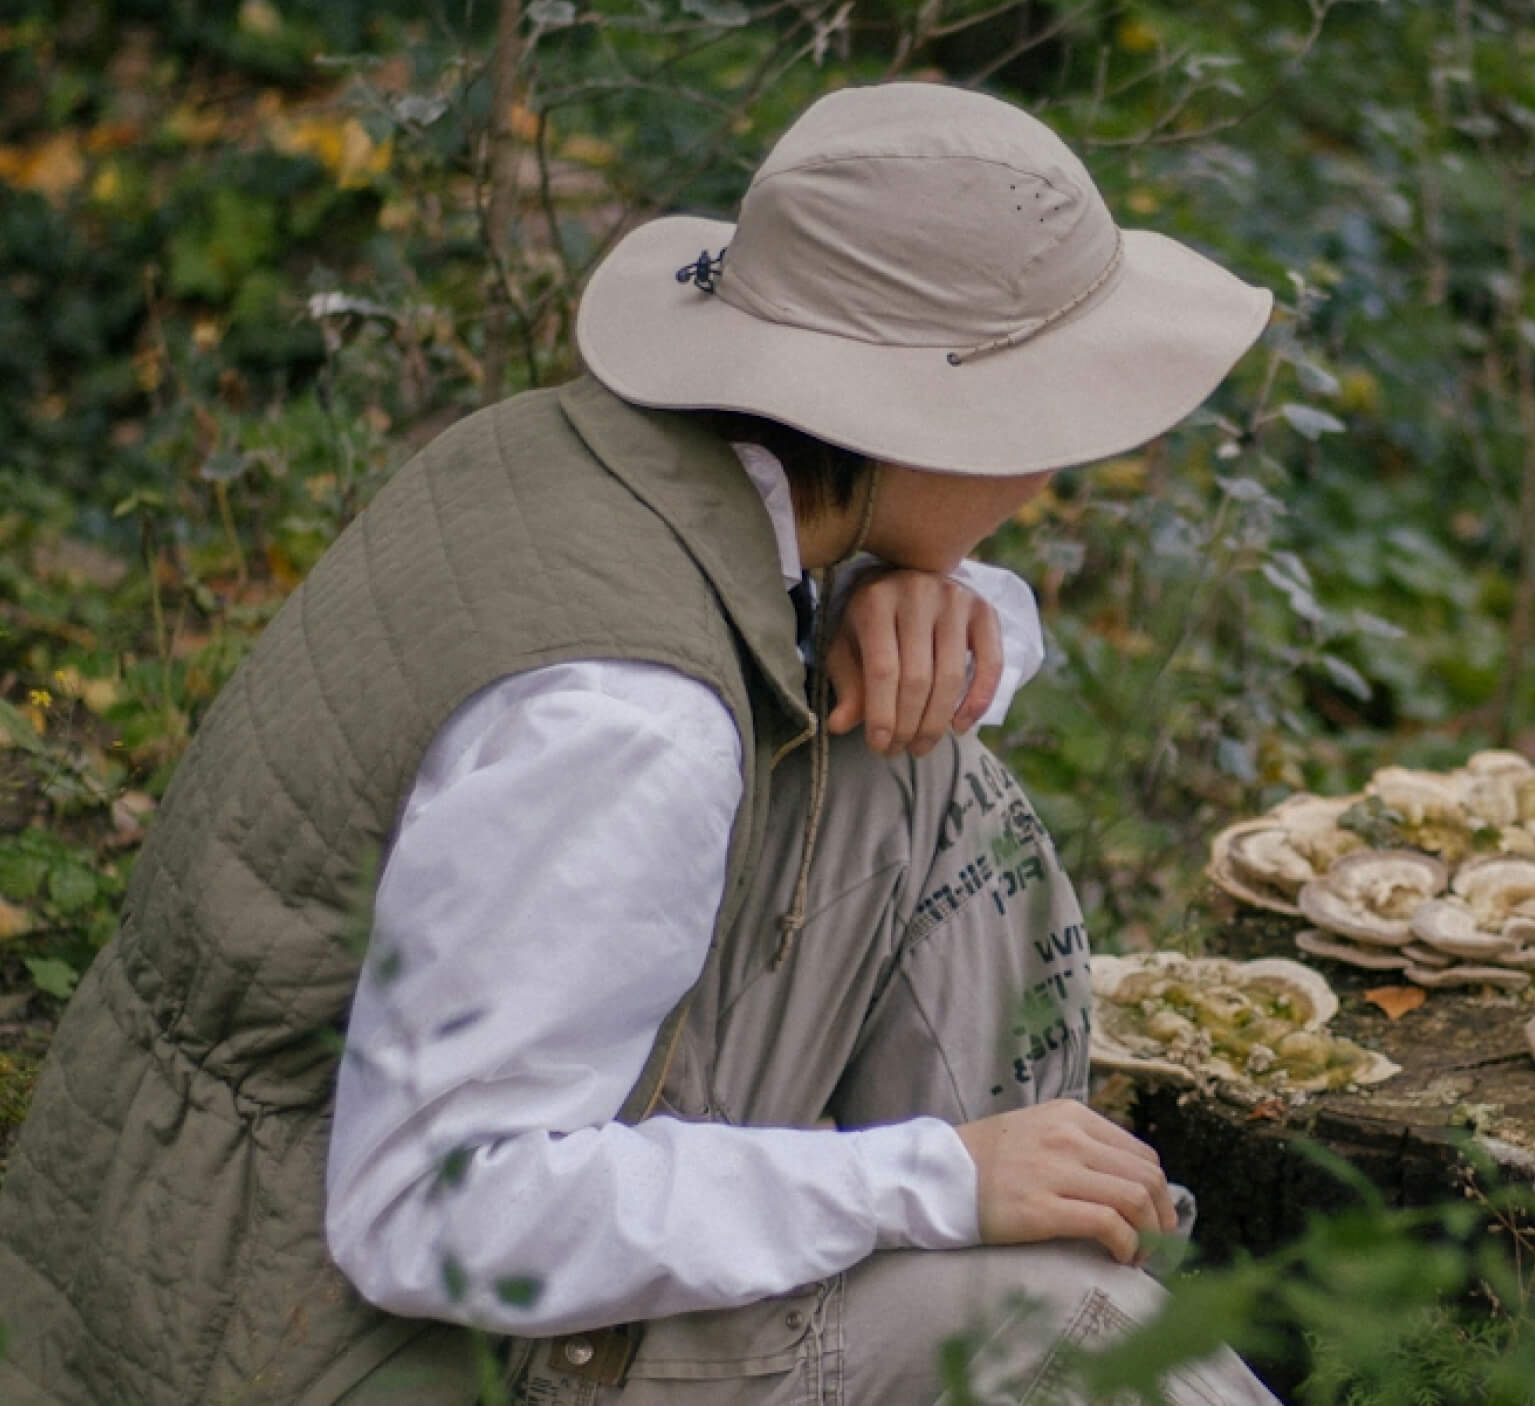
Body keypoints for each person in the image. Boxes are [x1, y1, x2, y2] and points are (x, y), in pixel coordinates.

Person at [0, 82, 1280, 1404]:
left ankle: (1041, 1212)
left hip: (237, 1213)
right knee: (1065, 1326)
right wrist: (932, 1183)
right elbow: (435, 1212)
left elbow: (889, 672)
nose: (1051, 473)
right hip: (321, 1337)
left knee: (941, 769)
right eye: (1040, 418)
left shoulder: (595, 466)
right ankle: (1035, 1271)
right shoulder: (632, 718)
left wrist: (926, 597)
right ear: (911, 419)